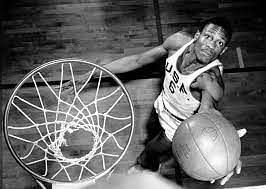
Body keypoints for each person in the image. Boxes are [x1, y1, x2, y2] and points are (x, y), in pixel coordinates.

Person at [62, 16, 246, 185]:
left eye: (219, 43)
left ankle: (146, 167)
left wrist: (227, 149)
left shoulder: (210, 81)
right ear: (197, 35)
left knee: (152, 150)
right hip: (163, 104)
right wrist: (93, 73)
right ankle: (150, 162)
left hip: (179, 126)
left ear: (224, 49)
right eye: (208, 37)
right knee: (150, 130)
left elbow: (208, 113)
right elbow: (138, 60)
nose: (211, 46)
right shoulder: (178, 42)